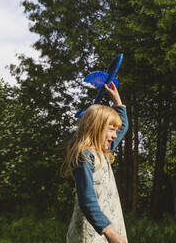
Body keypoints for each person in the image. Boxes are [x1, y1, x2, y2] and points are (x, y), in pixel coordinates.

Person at [63, 82, 128, 243]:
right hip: (91, 233)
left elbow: (124, 127)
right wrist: (110, 232)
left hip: (106, 230)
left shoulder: (103, 152)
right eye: (111, 129)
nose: (115, 136)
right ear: (96, 128)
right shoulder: (84, 155)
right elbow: (87, 199)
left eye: (115, 130)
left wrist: (117, 102)